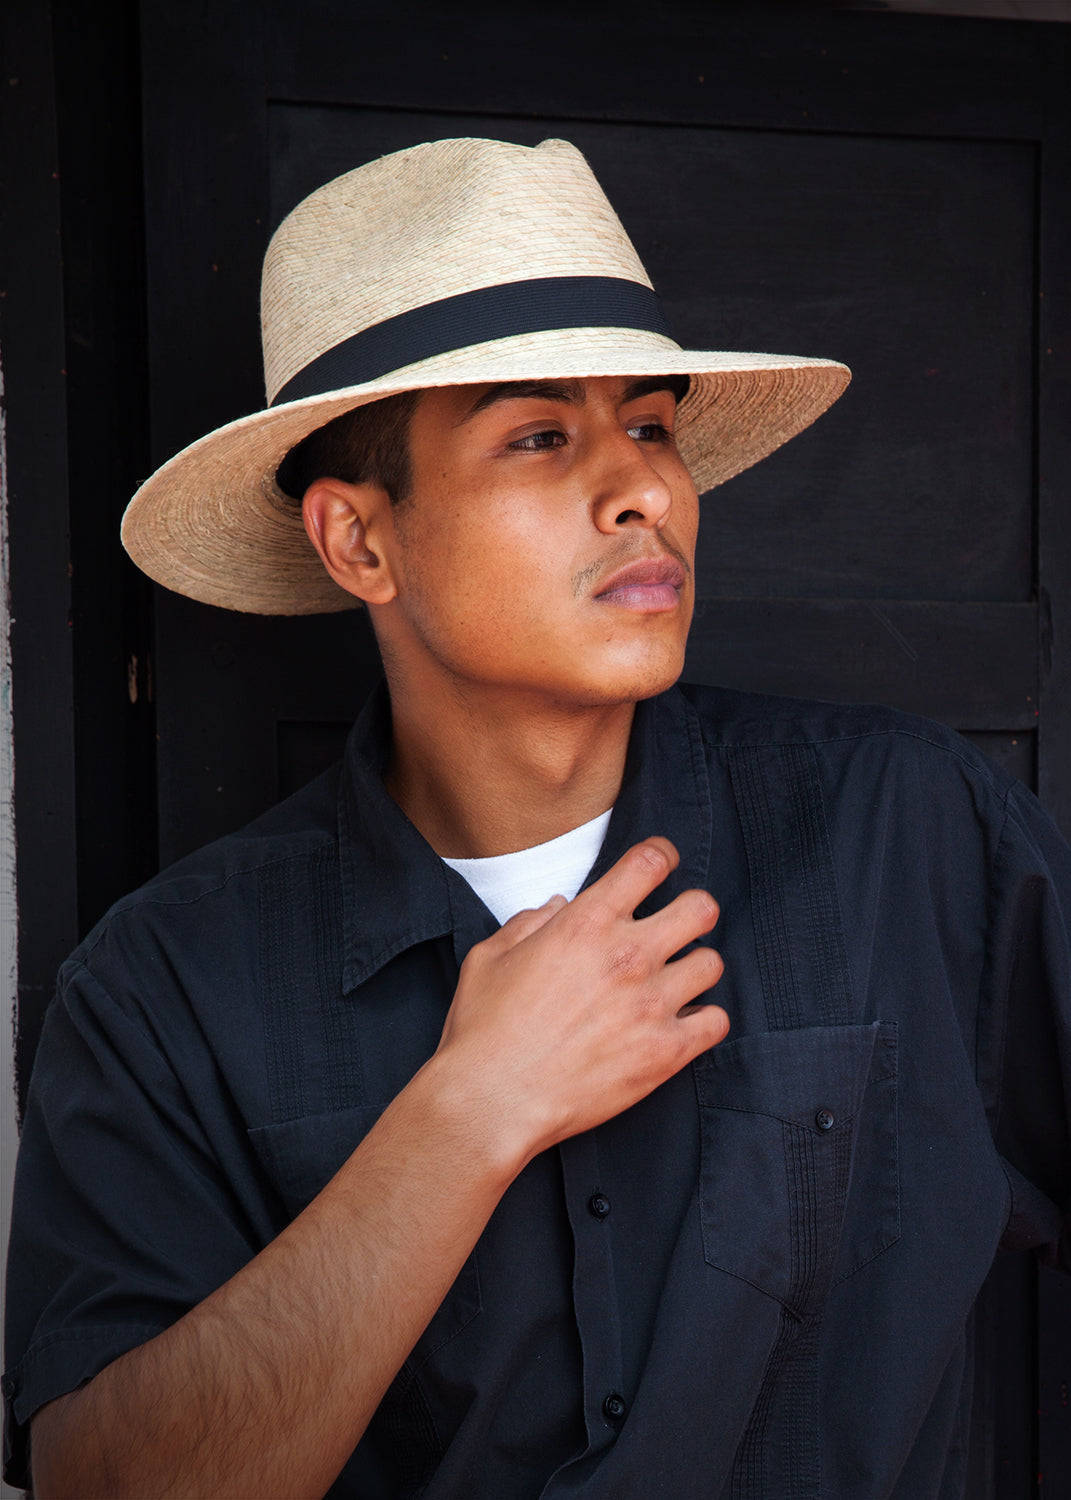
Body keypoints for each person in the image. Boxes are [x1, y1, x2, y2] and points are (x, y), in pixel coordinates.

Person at [3, 137, 1069, 1500]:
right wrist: (470, 1114)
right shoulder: (168, 987)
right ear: (359, 541)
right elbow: (105, 1481)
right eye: (540, 437)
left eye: (652, 426)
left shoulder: (905, 829)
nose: (645, 492)